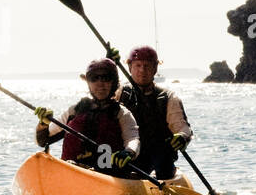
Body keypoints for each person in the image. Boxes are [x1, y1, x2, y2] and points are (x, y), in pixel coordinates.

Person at [34, 58, 140, 177]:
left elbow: (133, 139)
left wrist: (128, 152)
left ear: (114, 82)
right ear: (88, 82)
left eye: (106, 78)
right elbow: (43, 141)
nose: (100, 83)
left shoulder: (122, 113)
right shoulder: (74, 111)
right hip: (72, 173)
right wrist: (43, 124)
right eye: (94, 78)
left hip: (107, 175)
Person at [117, 45, 192, 180]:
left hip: (158, 158)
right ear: (130, 68)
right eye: (138, 65)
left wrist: (182, 136)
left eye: (147, 66)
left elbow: (183, 127)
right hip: (127, 154)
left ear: (155, 69)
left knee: (162, 154)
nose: (142, 70)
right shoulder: (119, 92)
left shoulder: (168, 97)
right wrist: (110, 61)